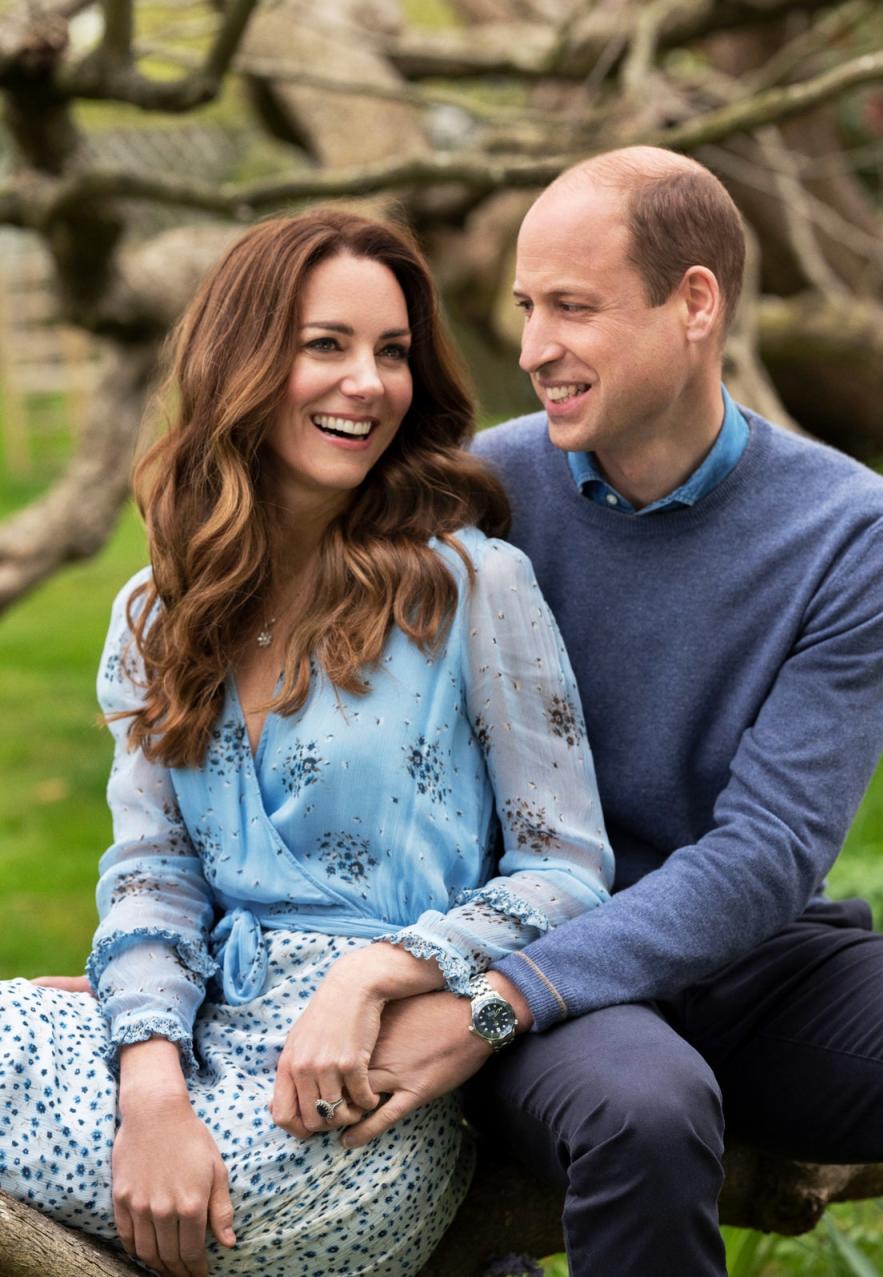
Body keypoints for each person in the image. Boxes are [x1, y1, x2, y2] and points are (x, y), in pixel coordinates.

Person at [305, 148, 883, 1276]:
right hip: (531, 940)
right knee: (644, 1112)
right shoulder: (479, 499)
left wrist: (498, 1005)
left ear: (694, 302)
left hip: (746, 958)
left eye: (573, 306)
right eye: (525, 307)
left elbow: (769, 853)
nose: (533, 348)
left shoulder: (856, 532)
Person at [1, 207, 614, 1277]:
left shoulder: (473, 588)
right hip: (196, 1032)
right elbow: (152, 876)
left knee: (238, 1204)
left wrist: (379, 971)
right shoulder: (158, 611)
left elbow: (566, 868)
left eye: (391, 352)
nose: (367, 384)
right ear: (241, 361)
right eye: (324, 345)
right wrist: (147, 1086)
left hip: (367, 1089)